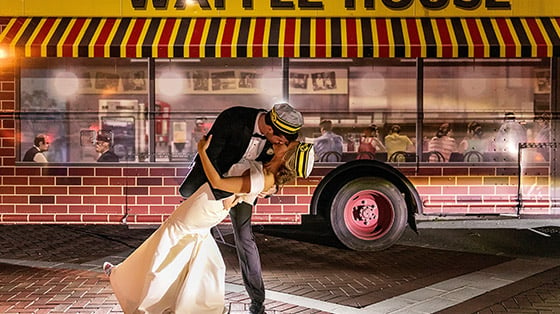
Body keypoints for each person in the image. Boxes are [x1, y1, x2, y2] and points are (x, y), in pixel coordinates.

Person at [105, 135, 310, 313]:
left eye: (287, 145)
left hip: (207, 203)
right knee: (196, 250)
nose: (283, 141)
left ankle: (131, 287)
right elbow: (242, 192)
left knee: (169, 239)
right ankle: (196, 305)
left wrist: (202, 152)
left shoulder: (264, 178)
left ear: (286, 157)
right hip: (211, 205)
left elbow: (219, 183)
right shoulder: (267, 174)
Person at [178, 103, 313, 314]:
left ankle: (257, 301)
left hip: (243, 186)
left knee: (244, 238)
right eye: (281, 140)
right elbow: (211, 155)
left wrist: (264, 189)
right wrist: (223, 194)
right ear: (269, 130)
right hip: (216, 181)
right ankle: (196, 292)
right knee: (199, 234)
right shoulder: (234, 117)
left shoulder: (279, 145)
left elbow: (279, 170)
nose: (283, 143)